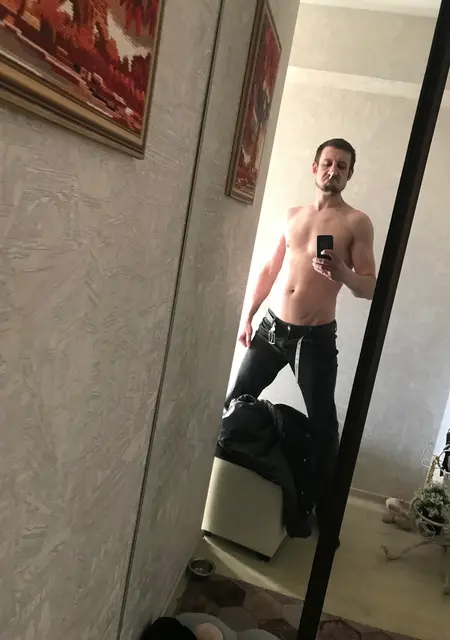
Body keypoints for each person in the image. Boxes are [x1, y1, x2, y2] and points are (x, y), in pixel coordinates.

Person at [225, 138, 377, 530]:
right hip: (272, 328)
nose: (333, 171)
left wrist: (343, 273)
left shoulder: (356, 222)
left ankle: (325, 514)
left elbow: (370, 286)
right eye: (328, 163)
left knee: (324, 427)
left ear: (349, 174)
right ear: (315, 168)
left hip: (314, 340)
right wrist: (248, 316)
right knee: (233, 399)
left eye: (342, 166)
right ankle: (223, 479)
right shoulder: (293, 215)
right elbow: (269, 269)